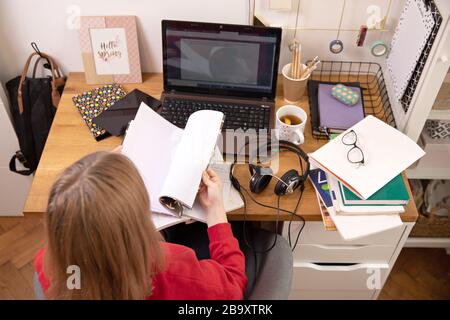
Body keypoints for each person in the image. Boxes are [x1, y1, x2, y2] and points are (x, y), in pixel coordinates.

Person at [34, 151, 247, 299]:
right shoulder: (169, 267)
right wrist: (216, 211)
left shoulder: (50, 265)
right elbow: (233, 285)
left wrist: (100, 172)